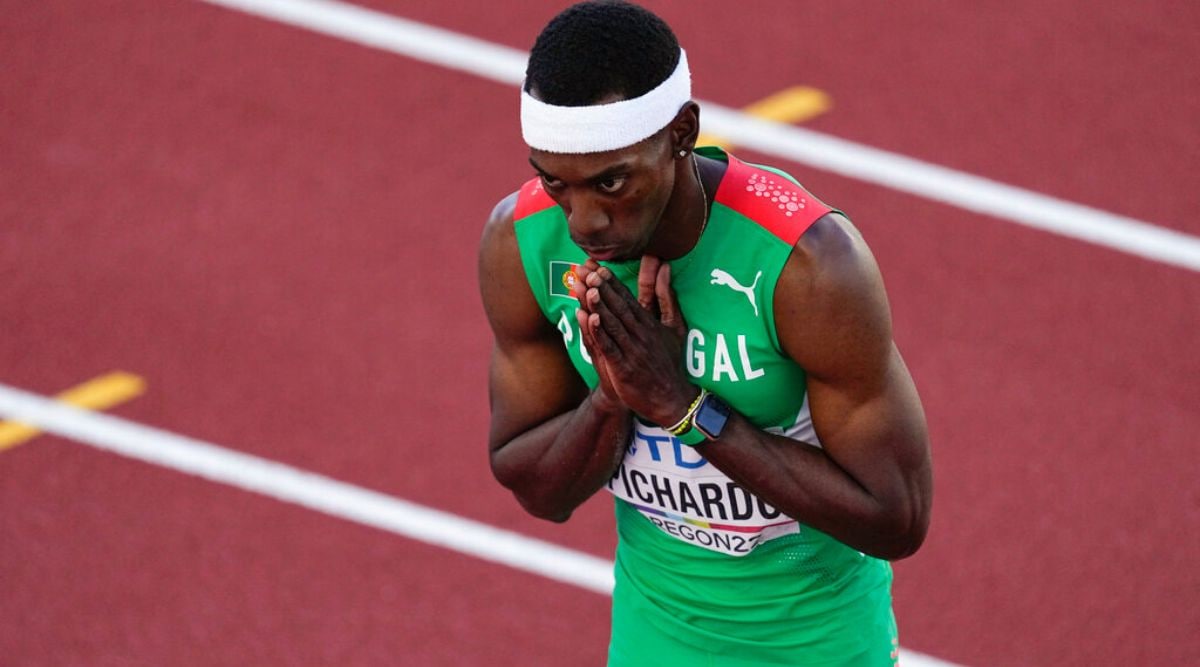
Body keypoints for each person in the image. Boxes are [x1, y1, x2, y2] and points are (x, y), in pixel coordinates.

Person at [477, 2, 933, 664]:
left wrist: (682, 407)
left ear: (681, 133)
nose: (584, 222)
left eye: (612, 182)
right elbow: (537, 489)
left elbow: (897, 515)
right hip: (654, 640)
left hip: (818, 644)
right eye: (556, 183)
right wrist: (612, 396)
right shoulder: (518, 241)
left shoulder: (808, 266)